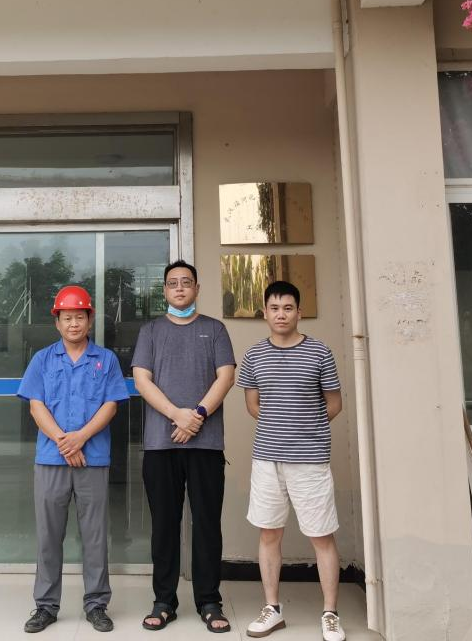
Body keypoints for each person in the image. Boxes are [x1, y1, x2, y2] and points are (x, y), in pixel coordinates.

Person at [18, 285, 130, 634]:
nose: (73, 324)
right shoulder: (42, 359)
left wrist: (80, 438)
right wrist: (64, 442)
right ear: (57, 322)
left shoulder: (106, 360)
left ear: (89, 320)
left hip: (92, 458)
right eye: (67, 318)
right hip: (51, 459)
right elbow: (36, 405)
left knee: (95, 535)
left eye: (79, 317)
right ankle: (45, 606)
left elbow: (111, 405)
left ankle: (96, 605)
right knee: (48, 535)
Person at [132, 260, 236, 633]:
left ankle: (209, 601)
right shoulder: (150, 331)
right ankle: (164, 601)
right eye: (172, 283)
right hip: (161, 445)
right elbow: (142, 380)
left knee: (207, 524)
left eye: (186, 282)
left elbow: (226, 376)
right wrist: (178, 414)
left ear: (196, 288)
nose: (179, 288)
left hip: (206, 444)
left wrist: (199, 415)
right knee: (164, 525)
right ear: (164, 290)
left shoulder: (215, 329)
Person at [238, 280, 344, 641]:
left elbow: (334, 404)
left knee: (321, 535)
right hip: (267, 459)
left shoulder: (320, 352)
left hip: (310, 461)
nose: (280, 314)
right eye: (274, 308)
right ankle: (273, 609)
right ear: (264, 313)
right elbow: (253, 405)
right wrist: (280, 429)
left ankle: (330, 613)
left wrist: (305, 430)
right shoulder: (254, 355)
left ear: (299, 312)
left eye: (287, 308)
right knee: (269, 533)